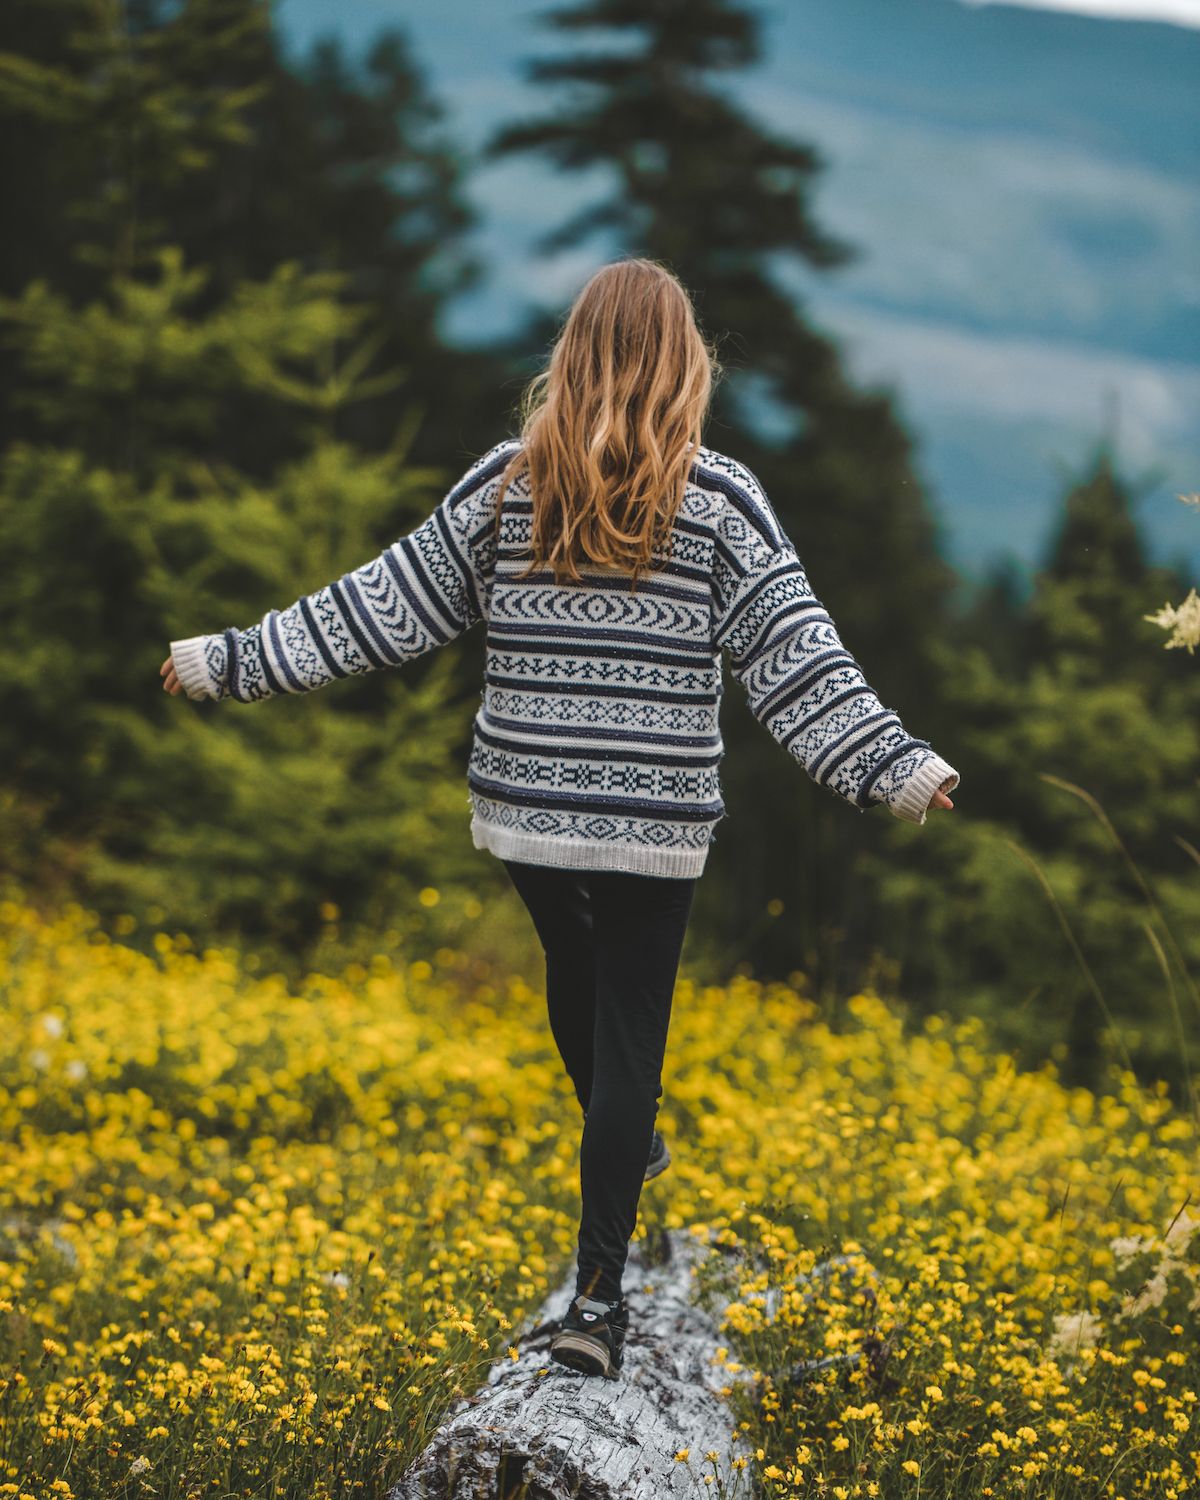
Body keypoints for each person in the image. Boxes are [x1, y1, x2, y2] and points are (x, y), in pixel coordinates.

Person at [161, 257, 959, 1381]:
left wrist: (228, 661)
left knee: (577, 976)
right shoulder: (720, 505)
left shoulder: (506, 483)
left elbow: (377, 610)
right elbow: (798, 663)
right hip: (653, 818)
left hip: (529, 809)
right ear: (689, 367)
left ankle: (623, 1145)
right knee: (629, 1032)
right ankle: (597, 1301)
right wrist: (896, 765)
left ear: (570, 356)